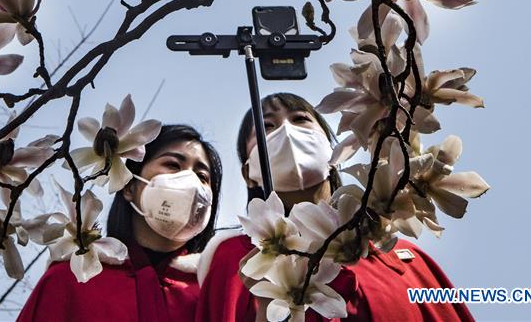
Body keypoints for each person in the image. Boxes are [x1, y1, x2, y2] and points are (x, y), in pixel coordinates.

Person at [195, 92, 473, 322]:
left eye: (300, 119)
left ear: (333, 151)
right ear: (248, 171)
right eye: (267, 126)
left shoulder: (406, 260)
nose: (286, 131)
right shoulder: (234, 260)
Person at [18, 124, 222, 322]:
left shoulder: (219, 291)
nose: (190, 181)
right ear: (128, 186)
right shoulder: (69, 280)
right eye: (173, 165)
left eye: (202, 176)